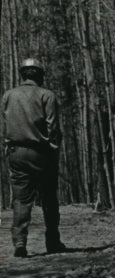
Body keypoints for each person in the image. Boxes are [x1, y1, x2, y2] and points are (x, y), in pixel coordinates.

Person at [2, 58, 66, 257]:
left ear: (22, 74)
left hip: (16, 152)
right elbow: (52, 127)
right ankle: (53, 241)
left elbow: (4, 124)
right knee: (48, 197)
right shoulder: (47, 95)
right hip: (42, 152)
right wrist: (53, 149)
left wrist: (7, 144)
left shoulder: (8, 95)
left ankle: (20, 242)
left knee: (21, 200)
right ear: (40, 75)